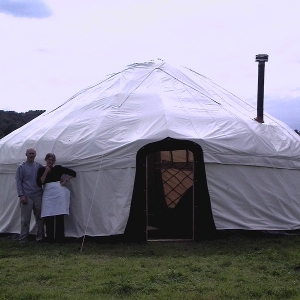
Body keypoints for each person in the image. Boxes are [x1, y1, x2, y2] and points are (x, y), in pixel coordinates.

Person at [37, 153, 76, 243]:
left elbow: (73, 173)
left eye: (52, 160)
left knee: (59, 215)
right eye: (49, 160)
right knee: (48, 215)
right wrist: (46, 171)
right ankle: (50, 238)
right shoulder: (41, 169)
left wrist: (65, 180)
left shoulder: (58, 168)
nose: (50, 162)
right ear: (46, 160)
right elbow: (40, 182)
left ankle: (60, 238)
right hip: (48, 193)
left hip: (58, 193)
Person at [15, 148, 44, 243]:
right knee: (25, 219)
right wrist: (21, 195)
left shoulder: (38, 166)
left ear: (35, 155)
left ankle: (40, 238)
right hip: (26, 196)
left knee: (40, 218)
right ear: (26, 154)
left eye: (33, 153)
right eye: (30, 153)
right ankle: (23, 239)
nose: (31, 155)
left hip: (38, 195)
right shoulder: (21, 167)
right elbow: (18, 182)